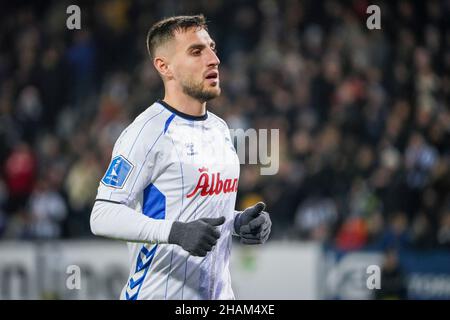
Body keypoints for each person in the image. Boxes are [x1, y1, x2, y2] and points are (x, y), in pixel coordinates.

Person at [90, 15, 272, 300]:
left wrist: (236, 223)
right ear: (165, 67)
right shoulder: (146, 133)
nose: (214, 59)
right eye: (197, 51)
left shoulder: (220, 128)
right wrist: (174, 232)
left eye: (211, 47)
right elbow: (102, 215)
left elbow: (191, 210)